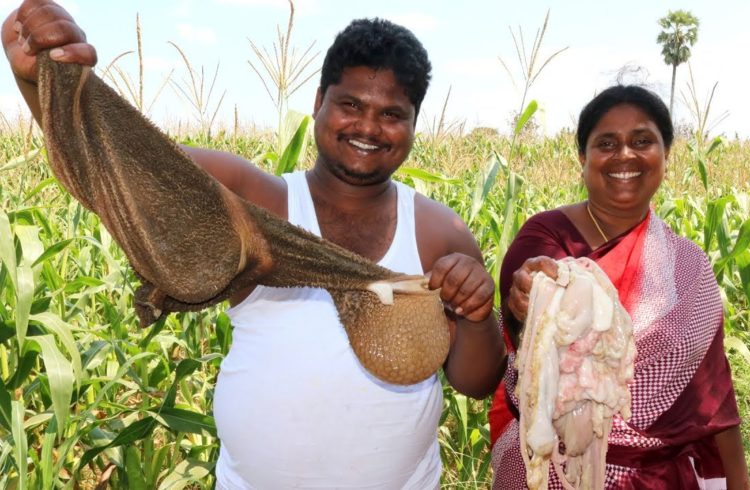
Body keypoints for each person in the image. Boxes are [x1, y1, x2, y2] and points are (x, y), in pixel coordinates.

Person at [3, 1, 506, 488]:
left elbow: (476, 383)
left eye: (392, 113)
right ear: (318, 105)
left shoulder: (440, 232)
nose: (368, 127)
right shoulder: (257, 200)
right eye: (350, 104)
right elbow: (121, 169)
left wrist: (478, 312)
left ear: (414, 123)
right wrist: (44, 81)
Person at [488, 85, 750, 489]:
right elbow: (538, 299)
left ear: (665, 155)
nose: (625, 154)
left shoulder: (687, 264)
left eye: (643, 141)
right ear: (583, 158)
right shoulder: (545, 237)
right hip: (556, 472)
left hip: (663, 477)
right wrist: (529, 296)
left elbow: (712, 396)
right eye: (606, 143)